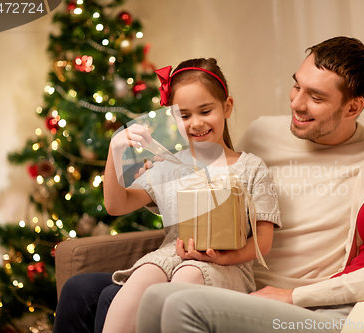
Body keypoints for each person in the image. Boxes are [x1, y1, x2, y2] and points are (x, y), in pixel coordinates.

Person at [52, 36, 364, 333]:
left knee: (163, 299)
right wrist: (138, 151)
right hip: (215, 268)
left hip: (282, 290)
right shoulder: (261, 134)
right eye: (297, 87)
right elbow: (203, 172)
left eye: (315, 98)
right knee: (83, 291)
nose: (296, 104)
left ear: (354, 107)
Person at [100, 58, 280, 333]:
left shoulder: (251, 168)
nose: (196, 123)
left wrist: (221, 258)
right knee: (144, 274)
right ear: (174, 117)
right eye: (184, 115)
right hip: (171, 255)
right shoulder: (168, 165)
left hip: (228, 267)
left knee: (188, 274)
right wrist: (115, 151)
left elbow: (263, 243)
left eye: (205, 111)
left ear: (227, 107)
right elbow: (116, 205)